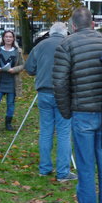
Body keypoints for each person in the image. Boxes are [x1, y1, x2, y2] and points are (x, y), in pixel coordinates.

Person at [53, 7, 102, 203]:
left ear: (73, 25)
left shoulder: (67, 45)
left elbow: (59, 82)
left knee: (85, 171)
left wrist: (65, 111)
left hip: (83, 114)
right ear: (93, 22)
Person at [25, 22, 76, 182]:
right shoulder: (69, 45)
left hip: (44, 93)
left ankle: (45, 168)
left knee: (46, 131)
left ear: (51, 32)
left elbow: (29, 68)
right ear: (65, 32)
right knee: (63, 132)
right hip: (64, 94)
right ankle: (63, 172)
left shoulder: (40, 46)